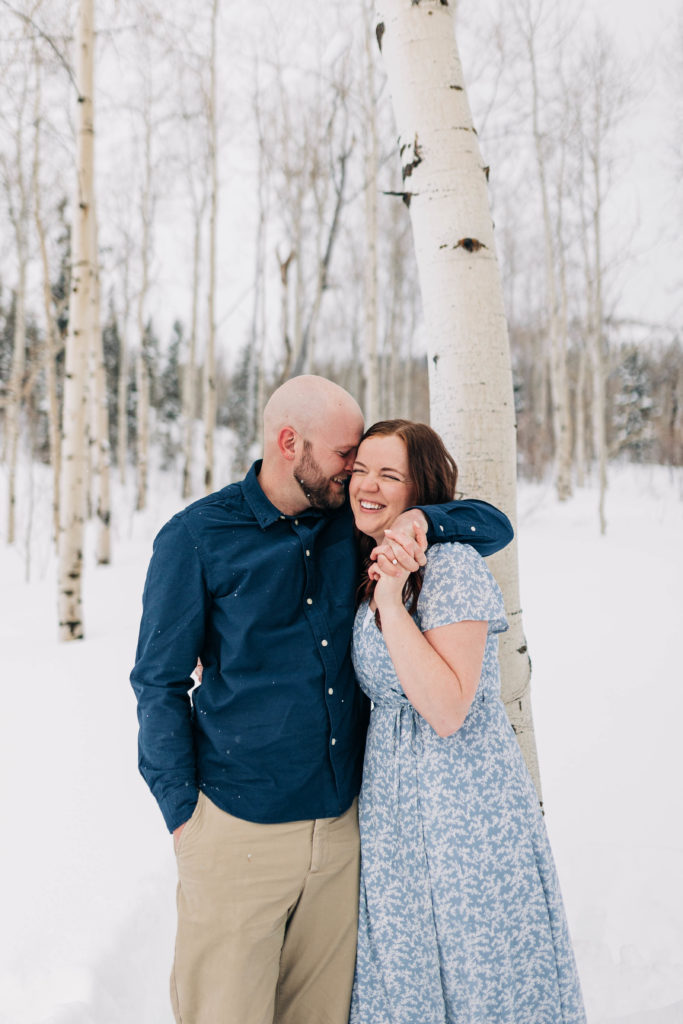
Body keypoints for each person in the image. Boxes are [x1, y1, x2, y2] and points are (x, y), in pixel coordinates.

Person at [130, 377, 514, 1024]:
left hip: (342, 832)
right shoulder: (196, 538)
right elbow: (158, 683)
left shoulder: (354, 522)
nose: (356, 471)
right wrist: (183, 818)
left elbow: (492, 523)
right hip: (237, 829)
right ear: (289, 443)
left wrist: (422, 516)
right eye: (346, 456)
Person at [347, 419, 586, 1024]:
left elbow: (449, 707)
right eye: (359, 470)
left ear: (418, 490)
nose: (367, 486)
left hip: (463, 812)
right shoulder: (362, 557)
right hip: (395, 816)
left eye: (388, 474)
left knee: (480, 979)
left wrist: (392, 600)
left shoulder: (450, 567)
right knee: (405, 980)